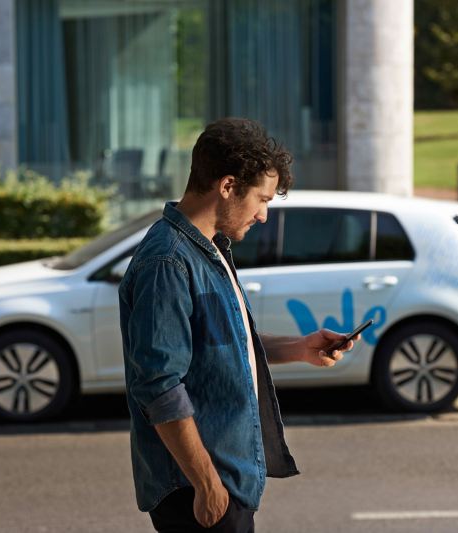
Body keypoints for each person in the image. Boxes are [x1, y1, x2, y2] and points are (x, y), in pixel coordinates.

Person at [119, 118, 358, 532]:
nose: (264, 215)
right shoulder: (168, 262)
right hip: (197, 490)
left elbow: (226, 342)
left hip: (224, 481)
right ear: (227, 186)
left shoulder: (209, 249)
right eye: (261, 199)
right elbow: (159, 387)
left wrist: (300, 347)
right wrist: (206, 483)